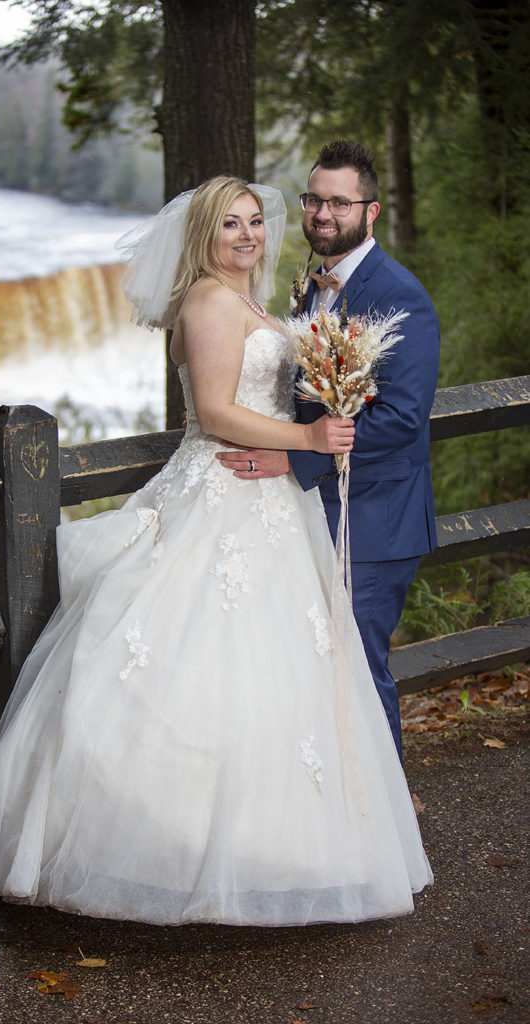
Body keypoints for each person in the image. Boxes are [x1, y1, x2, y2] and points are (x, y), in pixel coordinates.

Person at [0, 175, 432, 927]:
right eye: (229, 225)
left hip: (272, 501)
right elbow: (213, 411)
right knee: (192, 663)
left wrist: (323, 418)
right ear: (203, 236)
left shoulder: (252, 303)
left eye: (254, 223)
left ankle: (277, 848)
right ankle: (163, 852)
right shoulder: (208, 301)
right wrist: (308, 438)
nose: (246, 236)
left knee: (282, 677)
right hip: (222, 490)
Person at [217, 142, 441, 760]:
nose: (322, 213)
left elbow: (399, 418)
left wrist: (295, 457)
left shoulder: (399, 296)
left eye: (339, 203)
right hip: (310, 509)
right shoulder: (311, 287)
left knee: (359, 669)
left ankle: (386, 829)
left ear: (370, 212)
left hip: (373, 517)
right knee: (312, 664)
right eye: (314, 199)